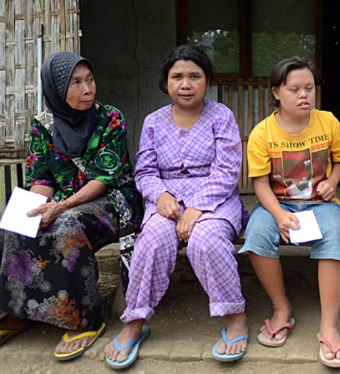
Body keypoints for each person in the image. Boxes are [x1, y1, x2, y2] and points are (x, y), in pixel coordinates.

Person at [0, 52, 144, 360]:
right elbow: (42, 178)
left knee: (66, 224)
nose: (88, 89)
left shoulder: (110, 118)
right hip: (63, 201)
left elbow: (104, 179)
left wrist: (61, 207)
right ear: (56, 89)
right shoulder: (43, 125)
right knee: (15, 222)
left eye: (90, 80)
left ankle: (83, 320)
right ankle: (12, 315)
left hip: (112, 202)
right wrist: (36, 209)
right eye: (76, 83)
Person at [104, 45, 249, 368]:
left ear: (208, 82)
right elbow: (143, 171)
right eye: (177, 77)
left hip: (216, 200)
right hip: (166, 202)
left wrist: (197, 207)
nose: (186, 84)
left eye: (195, 76)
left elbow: (228, 170)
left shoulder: (221, 116)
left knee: (206, 240)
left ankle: (235, 316)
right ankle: (135, 322)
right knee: (152, 240)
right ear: (166, 83)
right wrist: (161, 196)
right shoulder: (154, 122)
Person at [240, 56, 340, 368]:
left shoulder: (327, 121)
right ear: (276, 92)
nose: (304, 95)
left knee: (333, 234)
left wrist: (332, 180)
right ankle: (281, 309)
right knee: (257, 232)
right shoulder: (263, 133)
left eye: (309, 88)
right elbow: (260, 184)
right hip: (278, 204)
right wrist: (277, 215)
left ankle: (329, 325)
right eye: (294, 89)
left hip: (321, 204)